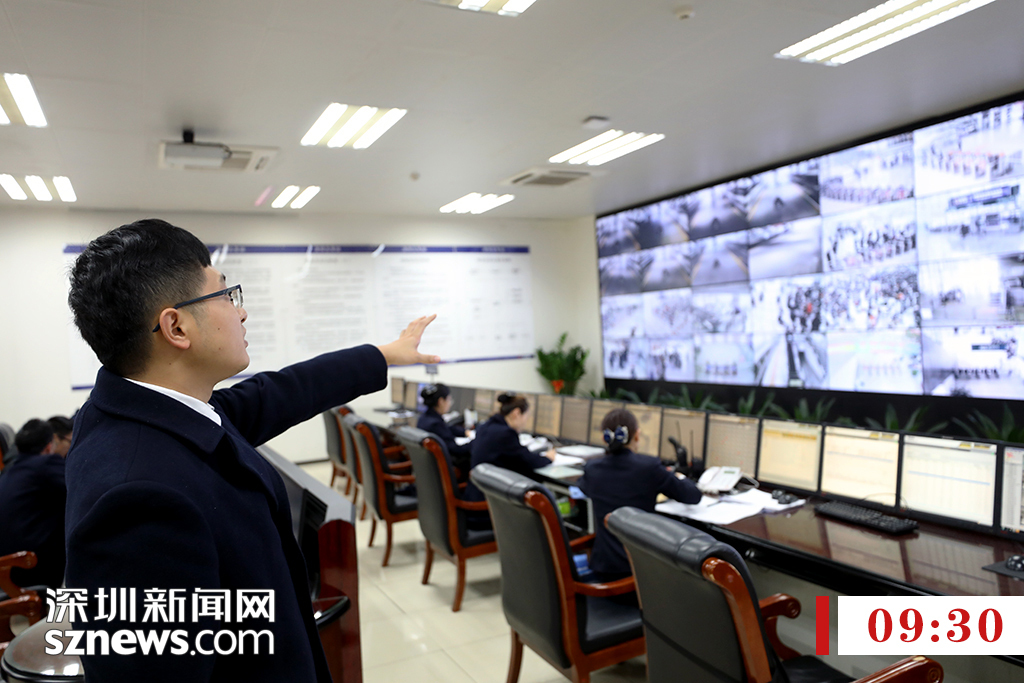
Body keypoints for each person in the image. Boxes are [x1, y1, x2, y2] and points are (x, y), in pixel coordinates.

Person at [64, 218, 439, 683]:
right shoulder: (138, 498)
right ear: (176, 326)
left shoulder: (148, 412)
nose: (241, 312)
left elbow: (278, 393)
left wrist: (383, 355)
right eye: (226, 295)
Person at [577, 408, 701, 581]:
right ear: (637, 435)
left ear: (604, 438)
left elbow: (584, 487)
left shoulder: (592, 468)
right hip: (640, 572)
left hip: (604, 567)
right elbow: (692, 496)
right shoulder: (649, 467)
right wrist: (680, 476)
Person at [462, 393, 555, 519]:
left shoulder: (486, 427)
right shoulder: (506, 433)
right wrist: (548, 458)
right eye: (526, 417)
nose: (525, 422)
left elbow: (518, 455)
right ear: (517, 413)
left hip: (475, 498)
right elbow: (528, 461)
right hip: (488, 509)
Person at [0, 418, 67, 589]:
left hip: (7, 573)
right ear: (49, 446)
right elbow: (80, 491)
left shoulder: (7, 473)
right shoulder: (47, 464)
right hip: (34, 571)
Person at [416, 383, 472, 473]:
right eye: (449, 400)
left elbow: (447, 428)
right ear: (441, 401)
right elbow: (456, 449)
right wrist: (476, 443)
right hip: (444, 471)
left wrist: (464, 432)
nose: (450, 404)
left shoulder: (424, 418)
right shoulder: (436, 424)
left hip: (429, 468)